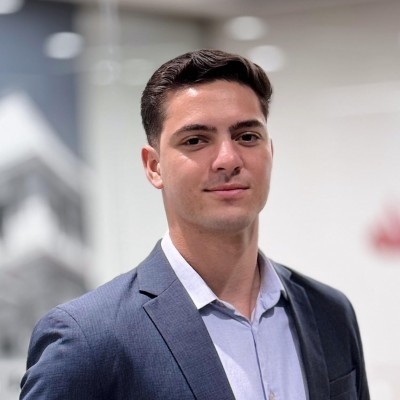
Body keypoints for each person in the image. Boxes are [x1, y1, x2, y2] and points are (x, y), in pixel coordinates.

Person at [20, 49, 370, 400]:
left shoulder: (329, 312)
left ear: (270, 152)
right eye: (196, 140)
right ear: (154, 166)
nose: (228, 159)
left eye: (247, 136)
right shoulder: (88, 340)